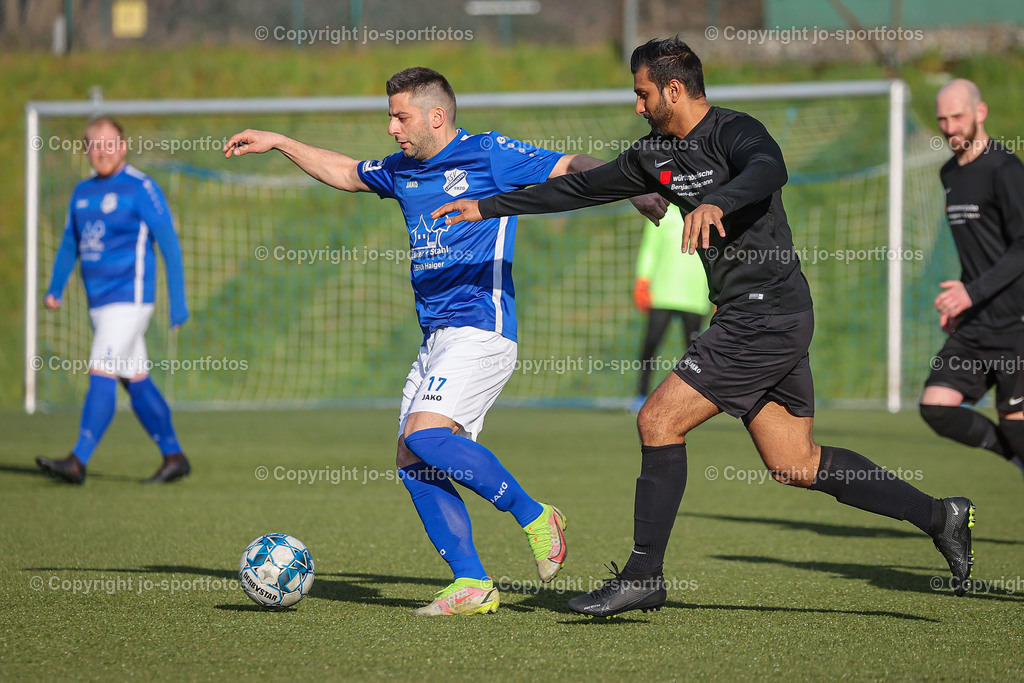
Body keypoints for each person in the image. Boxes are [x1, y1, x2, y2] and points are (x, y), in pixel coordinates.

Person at [433, 37, 978, 616]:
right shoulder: (653, 154)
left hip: (766, 311)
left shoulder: (736, 132)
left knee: (658, 419)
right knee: (796, 461)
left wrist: (718, 202)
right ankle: (940, 514)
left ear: (674, 89)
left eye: (643, 94)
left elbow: (771, 169)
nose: (638, 106)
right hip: (764, 315)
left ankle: (644, 575)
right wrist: (490, 206)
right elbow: (581, 187)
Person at [223, 67, 665, 616]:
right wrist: (281, 142)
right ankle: (472, 583)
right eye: (389, 116)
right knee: (413, 460)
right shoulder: (402, 170)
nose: (391, 128)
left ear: (437, 116)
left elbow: (572, 164)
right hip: (437, 337)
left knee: (425, 437)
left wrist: (634, 189)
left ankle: (535, 515)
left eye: (400, 116)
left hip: (482, 327)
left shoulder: (489, 154)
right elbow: (344, 172)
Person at [36, 116, 191, 485]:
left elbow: (168, 242)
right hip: (99, 304)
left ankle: (78, 460)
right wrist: (55, 288)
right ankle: (174, 455)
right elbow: (70, 243)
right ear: (86, 150)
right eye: (94, 144)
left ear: (123, 147)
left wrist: (179, 301)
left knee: (101, 369)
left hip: (131, 299)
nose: (102, 152)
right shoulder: (82, 193)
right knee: (133, 378)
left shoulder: (141, 187)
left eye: (109, 144)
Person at [919, 78, 1024, 475]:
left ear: (980, 113)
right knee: (936, 406)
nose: (949, 128)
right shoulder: (950, 173)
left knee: (1016, 427)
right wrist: (964, 301)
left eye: (957, 116)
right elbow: (979, 249)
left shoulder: (1006, 168)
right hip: (977, 320)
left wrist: (971, 291)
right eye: (942, 119)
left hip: (1016, 322)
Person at [633, 207, 711, 410]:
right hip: (662, 292)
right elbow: (649, 248)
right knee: (651, 345)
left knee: (694, 351)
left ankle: (695, 399)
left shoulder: (707, 214)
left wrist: (718, 289)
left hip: (695, 295)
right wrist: (642, 279)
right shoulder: (663, 213)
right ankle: (641, 396)